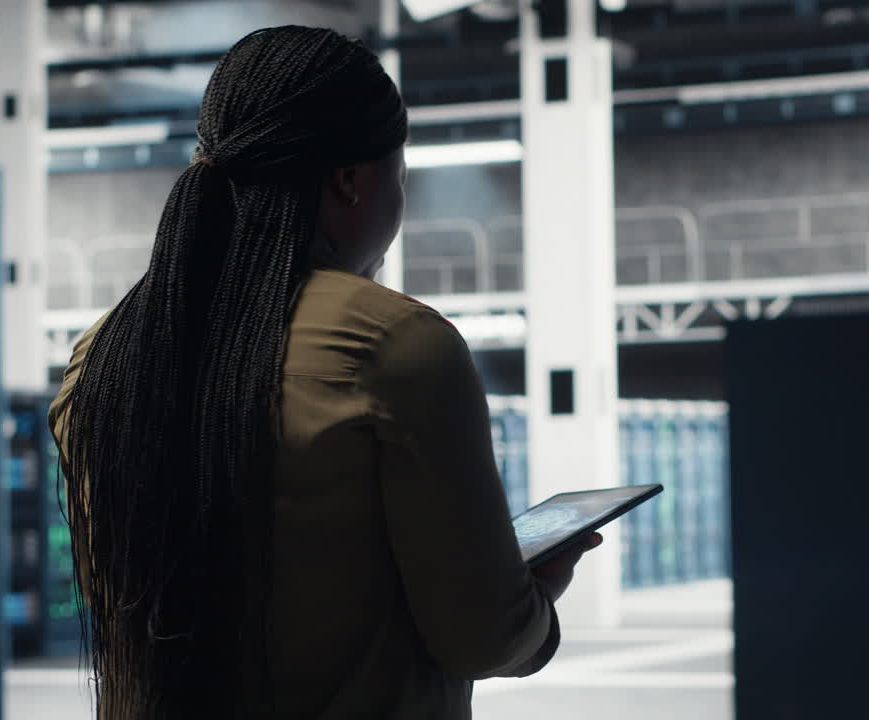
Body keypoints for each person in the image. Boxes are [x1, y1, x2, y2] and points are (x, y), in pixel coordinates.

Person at [48, 26, 603, 720]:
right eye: (399, 177)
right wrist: (536, 600)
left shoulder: (103, 352)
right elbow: (480, 637)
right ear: (350, 181)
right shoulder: (396, 344)